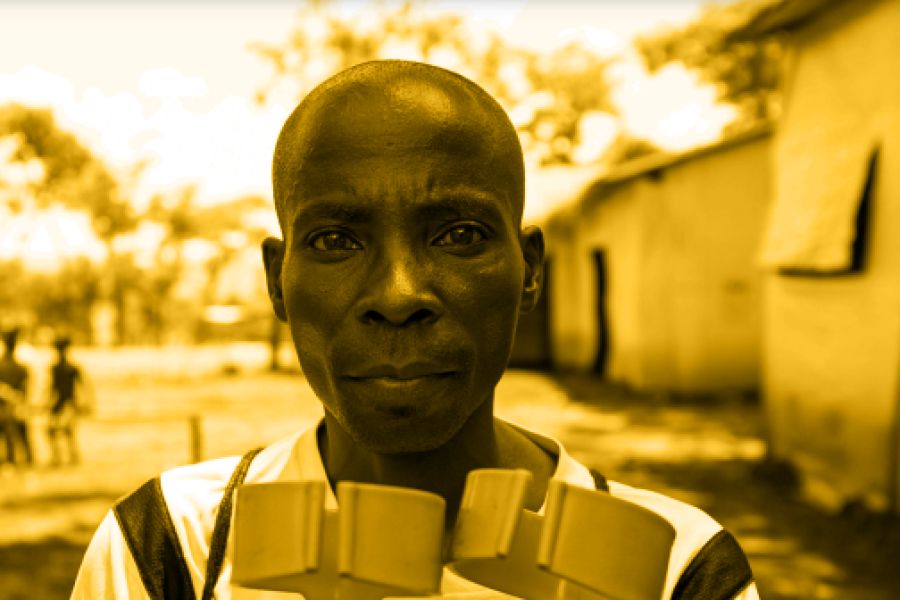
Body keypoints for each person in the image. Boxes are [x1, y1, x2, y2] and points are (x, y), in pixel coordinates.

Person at [71, 61, 759, 599]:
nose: (398, 296)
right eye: (337, 240)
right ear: (278, 280)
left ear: (529, 273)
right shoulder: (173, 547)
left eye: (459, 235)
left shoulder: (674, 569)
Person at [47, 334, 90, 467]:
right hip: (68, 403)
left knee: (55, 431)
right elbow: (84, 386)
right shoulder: (71, 367)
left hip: (61, 403)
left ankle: (60, 457)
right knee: (67, 432)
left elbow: (52, 388)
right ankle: (71, 457)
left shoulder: (56, 368)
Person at [0, 327, 33, 467]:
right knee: (22, 435)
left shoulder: (4, 365)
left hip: (6, 407)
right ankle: (25, 459)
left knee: (8, 434)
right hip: (17, 406)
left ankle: (10, 459)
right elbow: (26, 389)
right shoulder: (22, 367)